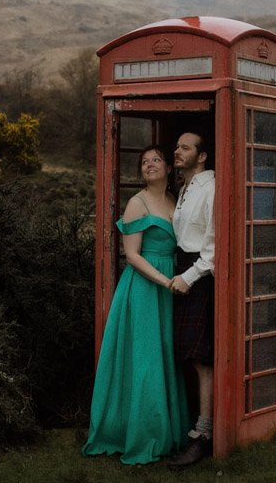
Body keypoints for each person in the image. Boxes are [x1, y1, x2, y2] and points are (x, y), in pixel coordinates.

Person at [83, 145, 191, 465]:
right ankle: (142, 434)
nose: (150, 165)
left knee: (165, 358)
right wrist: (164, 280)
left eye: (156, 159)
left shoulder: (176, 200)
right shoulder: (137, 203)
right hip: (146, 288)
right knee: (145, 362)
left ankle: (170, 431)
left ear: (169, 167)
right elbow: (132, 256)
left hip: (173, 285)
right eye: (144, 162)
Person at [166, 131, 217, 470]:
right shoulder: (184, 187)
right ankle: (190, 427)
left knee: (201, 359)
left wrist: (190, 276)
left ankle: (204, 435)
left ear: (202, 156)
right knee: (186, 354)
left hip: (198, 275)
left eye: (185, 147)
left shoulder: (210, 188)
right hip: (181, 270)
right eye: (177, 146)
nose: (177, 151)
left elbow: (215, 243)